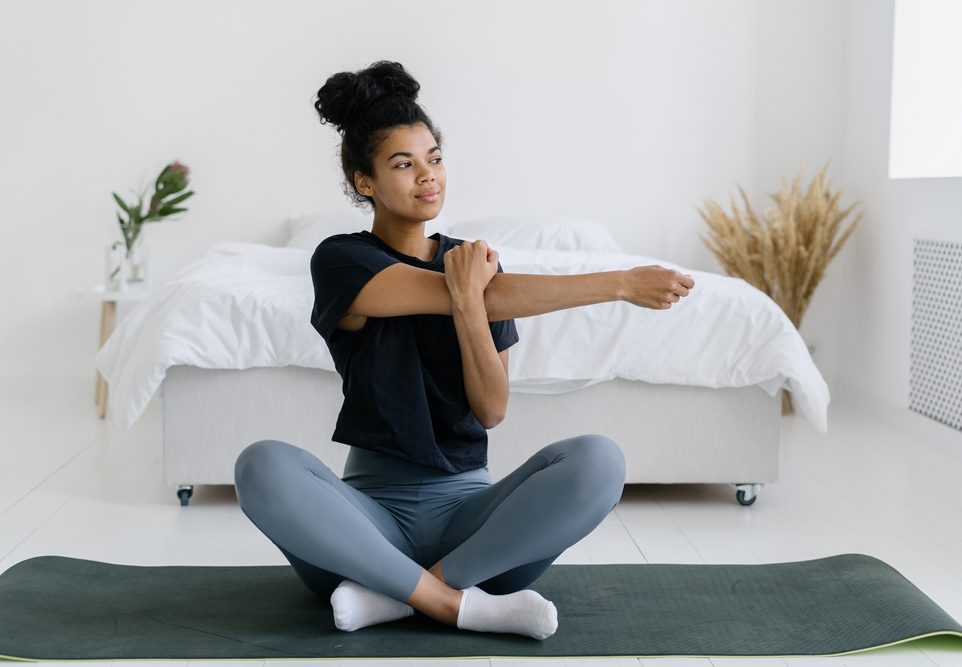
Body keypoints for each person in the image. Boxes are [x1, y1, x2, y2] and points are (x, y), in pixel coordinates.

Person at [233, 60, 695, 641]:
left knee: (600, 460)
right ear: (364, 182)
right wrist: (621, 283)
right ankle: (454, 605)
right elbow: (464, 294)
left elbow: (492, 410)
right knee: (261, 464)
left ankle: (400, 596)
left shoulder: (476, 264)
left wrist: (475, 301)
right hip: (367, 528)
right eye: (403, 164)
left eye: (434, 158)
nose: (427, 176)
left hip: (475, 534)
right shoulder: (341, 258)